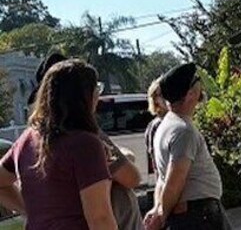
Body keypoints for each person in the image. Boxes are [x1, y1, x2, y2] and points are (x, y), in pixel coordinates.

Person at [27, 52, 144, 229]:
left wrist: (30, 210)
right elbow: (131, 178)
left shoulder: (31, 140)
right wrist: (123, 157)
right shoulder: (84, 140)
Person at [0, 59, 118, 229]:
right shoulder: (85, 144)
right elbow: (100, 218)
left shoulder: (26, 140)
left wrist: (33, 211)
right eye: (96, 89)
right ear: (85, 96)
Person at [144, 63, 229, 230]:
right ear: (190, 93)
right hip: (198, 217)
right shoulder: (183, 130)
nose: (201, 84)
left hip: (193, 216)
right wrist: (161, 216)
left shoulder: (166, 125)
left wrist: (158, 208)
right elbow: (174, 179)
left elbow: (162, 178)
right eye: (197, 80)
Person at [145, 77, 167, 178]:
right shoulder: (156, 126)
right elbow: (155, 159)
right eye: (161, 95)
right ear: (154, 99)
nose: (166, 97)